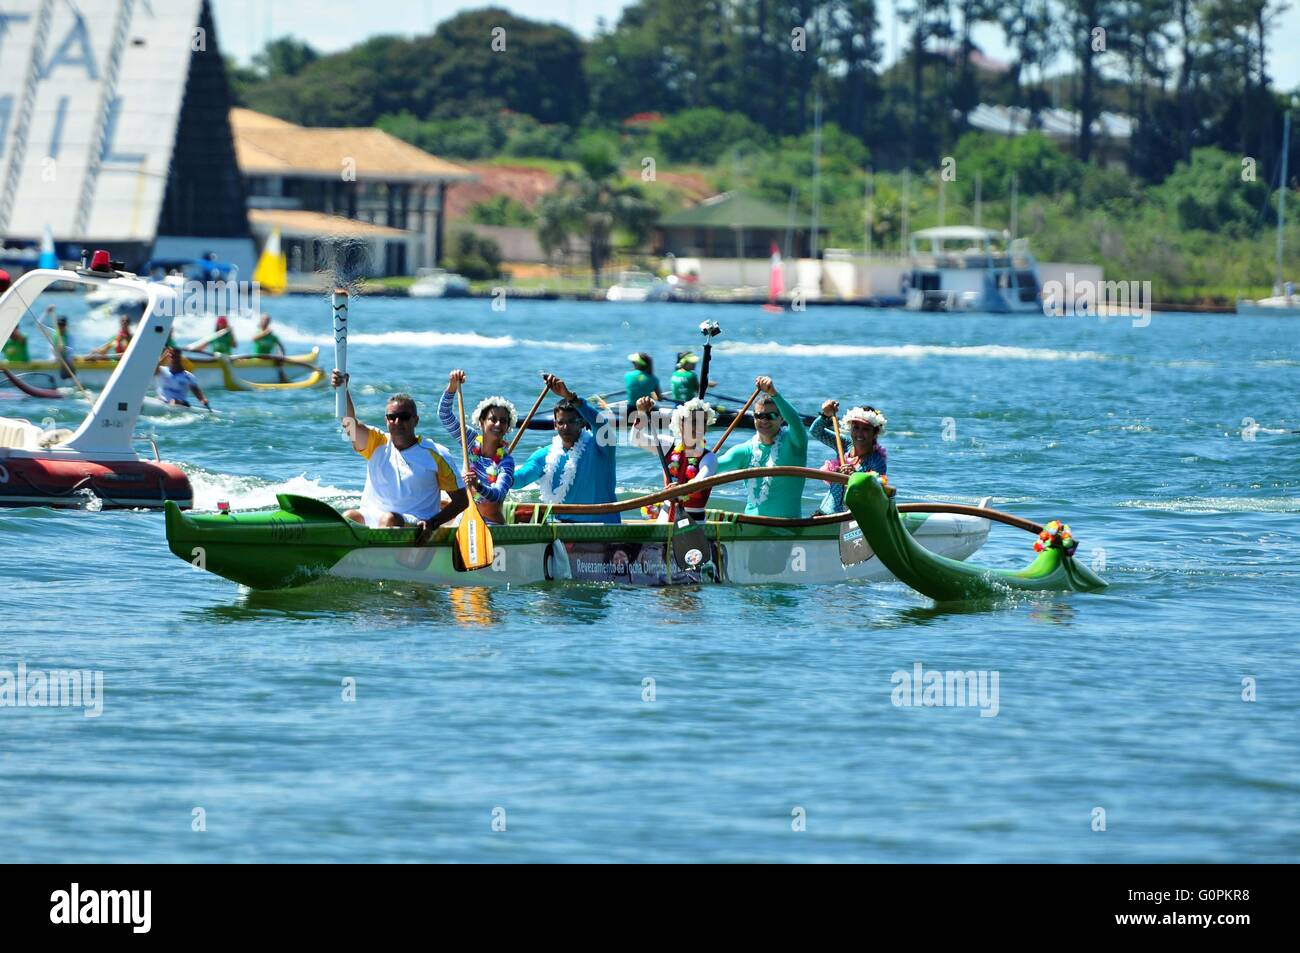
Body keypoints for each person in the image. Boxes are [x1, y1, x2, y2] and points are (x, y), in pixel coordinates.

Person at [331, 369, 467, 542]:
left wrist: (433, 523)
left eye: (404, 417)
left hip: (416, 521)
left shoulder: (436, 454)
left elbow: (462, 501)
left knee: (388, 519)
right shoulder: (376, 442)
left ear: (415, 420)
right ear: (386, 420)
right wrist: (342, 390)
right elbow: (349, 426)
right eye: (392, 417)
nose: (397, 422)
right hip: (374, 515)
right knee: (349, 516)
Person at [512, 373, 619, 523]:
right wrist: (497, 473)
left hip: (602, 529)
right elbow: (520, 480)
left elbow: (601, 424)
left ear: (582, 423)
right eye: (561, 422)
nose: (566, 427)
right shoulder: (543, 456)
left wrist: (571, 397)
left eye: (572, 421)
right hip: (565, 531)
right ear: (555, 425)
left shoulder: (602, 448)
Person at [714, 376, 809, 518]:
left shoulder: (795, 443)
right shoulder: (744, 451)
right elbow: (710, 468)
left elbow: (795, 422)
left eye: (770, 415)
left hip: (788, 528)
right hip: (751, 525)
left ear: (781, 418)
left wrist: (774, 394)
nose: (764, 420)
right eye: (759, 416)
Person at [440, 369, 517, 525]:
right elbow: (444, 414)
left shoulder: (506, 462)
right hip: (465, 520)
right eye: (493, 419)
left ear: (508, 427)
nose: (498, 424)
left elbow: (498, 495)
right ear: (482, 422)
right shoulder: (470, 440)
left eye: (503, 421)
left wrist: (477, 485)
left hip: (491, 524)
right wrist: (452, 386)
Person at [631, 394, 718, 523]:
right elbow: (637, 439)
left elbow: (700, 481)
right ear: (681, 424)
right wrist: (641, 413)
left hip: (694, 524)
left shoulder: (709, 458)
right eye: (694, 421)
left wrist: (680, 490)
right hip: (666, 518)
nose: (699, 427)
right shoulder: (668, 446)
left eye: (702, 422)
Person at [810, 402, 887, 515]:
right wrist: (825, 415)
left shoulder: (877, 461)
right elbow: (815, 431)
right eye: (856, 427)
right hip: (825, 513)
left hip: (853, 518)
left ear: (875, 433)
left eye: (866, 429)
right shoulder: (844, 443)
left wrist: (855, 476)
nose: (859, 434)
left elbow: (877, 489)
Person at [50, 311, 74, 379]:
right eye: (59, 325)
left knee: (68, 362)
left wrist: (63, 349)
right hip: (55, 359)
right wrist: (46, 312)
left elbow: (70, 351)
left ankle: (69, 377)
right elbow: (38, 325)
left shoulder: (70, 336)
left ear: (66, 326)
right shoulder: (53, 334)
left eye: (62, 325)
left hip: (66, 359)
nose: (60, 327)